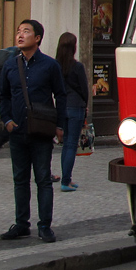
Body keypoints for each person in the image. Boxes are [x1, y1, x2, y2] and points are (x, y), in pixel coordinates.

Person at [0, 19, 66, 243]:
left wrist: (59, 126)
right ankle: (21, 224)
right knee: (20, 179)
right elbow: (4, 95)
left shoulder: (49, 65)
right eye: (18, 31)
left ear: (37, 38)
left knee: (43, 179)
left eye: (26, 32)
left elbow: (61, 95)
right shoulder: (10, 65)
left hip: (41, 131)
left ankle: (45, 225)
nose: (20, 35)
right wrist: (6, 119)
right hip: (17, 131)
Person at [55, 32, 89, 192]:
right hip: (76, 107)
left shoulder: (55, 66)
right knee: (71, 145)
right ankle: (66, 181)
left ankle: (66, 178)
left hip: (62, 107)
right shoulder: (77, 67)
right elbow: (84, 89)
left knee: (66, 144)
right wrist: (86, 105)